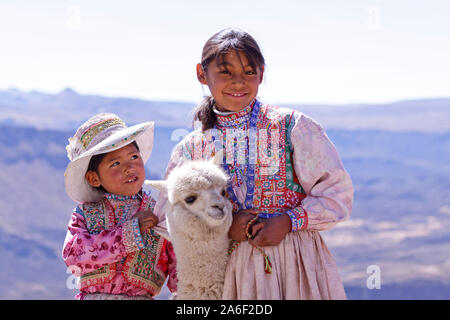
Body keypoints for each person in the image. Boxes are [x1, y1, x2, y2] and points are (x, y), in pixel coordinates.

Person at [154, 28, 353, 299]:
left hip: (295, 268)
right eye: (225, 72)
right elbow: (168, 218)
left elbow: (337, 195)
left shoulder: (293, 127)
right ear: (202, 74)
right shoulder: (191, 148)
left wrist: (288, 221)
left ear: (261, 74)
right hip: (228, 276)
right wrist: (224, 228)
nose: (239, 82)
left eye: (249, 72)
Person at [62, 113, 177, 300]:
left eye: (133, 156)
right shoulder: (85, 214)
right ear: (94, 178)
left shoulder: (160, 213)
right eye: (115, 163)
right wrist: (130, 232)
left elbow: (179, 266)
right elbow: (74, 257)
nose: (129, 167)